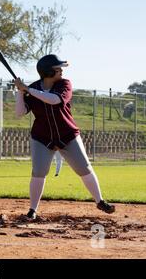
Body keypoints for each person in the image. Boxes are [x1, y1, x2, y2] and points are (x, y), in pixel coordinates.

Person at [14, 54, 115, 220]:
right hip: (42, 136)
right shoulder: (31, 88)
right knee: (39, 171)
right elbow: (20, 112)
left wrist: (28, 90)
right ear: (47, 71)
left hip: (67, 134)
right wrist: (20, 92)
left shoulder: (64, 84)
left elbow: (55, 100)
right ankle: (32, 210)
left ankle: (100, 201)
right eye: (57, 69)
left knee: (84, 168)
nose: (61, 71)